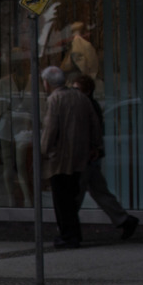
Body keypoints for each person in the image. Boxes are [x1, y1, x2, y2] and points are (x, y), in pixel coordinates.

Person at [70, 73, 138, 241]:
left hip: (87, 156)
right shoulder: (88, 105)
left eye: (77, 89)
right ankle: (123, 219)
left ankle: (70, 227)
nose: (74, 92)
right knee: (98, 191)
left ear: (86, 91)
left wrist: (94, 149)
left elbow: (92, 131)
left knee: (78, 193)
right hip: (91, 156)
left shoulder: (87, 106)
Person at [40, 65, 101, 249]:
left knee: (62, 199)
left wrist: (43, 151)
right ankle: (73, 234)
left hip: (60, 158)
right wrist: (95, 146)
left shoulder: (55, 99)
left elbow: (50, 129)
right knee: (71, 197)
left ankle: (68, 236)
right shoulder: (81, 97)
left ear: (47, 83)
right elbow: (94, 124)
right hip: (79, 157)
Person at [0, 50, 36, 207]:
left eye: (24, 62)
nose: (23, 65)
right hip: (12, 123)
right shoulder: (6, 82)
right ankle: (17, 198)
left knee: (19, 162)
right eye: (21, 62)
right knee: (11, 162)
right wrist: (1, 117)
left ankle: (25, 198)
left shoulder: (30, 80)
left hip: (20, 125)